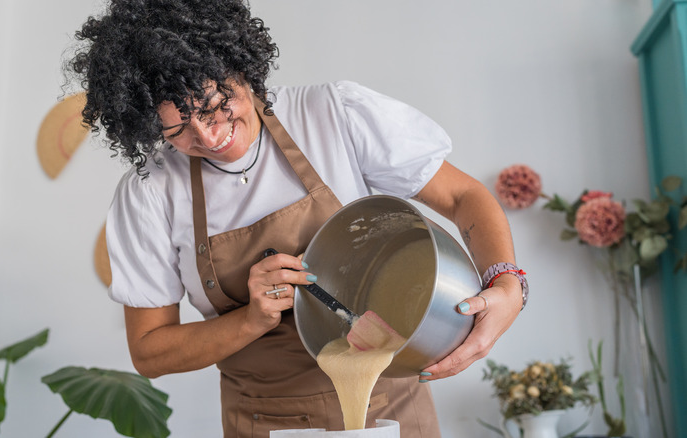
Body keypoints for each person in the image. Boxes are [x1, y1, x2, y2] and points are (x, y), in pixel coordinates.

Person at [68, 0, 527, 436]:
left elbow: (462, 196)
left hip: (392, 411)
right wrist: (250, 319)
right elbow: (151, 352)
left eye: (214, 106)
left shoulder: (331, 115)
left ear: (239, 63)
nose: (209, 136)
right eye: (177, 129)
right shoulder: (149, 192)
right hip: (263, 421)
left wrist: (505, 282)